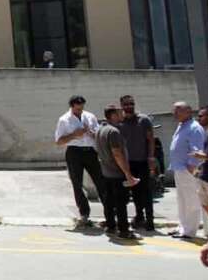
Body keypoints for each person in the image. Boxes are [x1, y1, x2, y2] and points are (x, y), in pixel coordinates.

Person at [53, 95, 104, 227]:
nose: (80, 111)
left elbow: (98, 134)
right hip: (74, 152)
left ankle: (109, 212)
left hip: (90, 151)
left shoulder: (90, 116)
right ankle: (84, 214)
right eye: (77, 109)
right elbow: (59, 141)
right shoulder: (64, 120)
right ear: (72, 106)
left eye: (82, 108)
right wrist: (74, 135)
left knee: (100, 180)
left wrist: (92, 133)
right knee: (77, 183)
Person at [95, 103, 141, 240]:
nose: (123, 114)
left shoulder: (100, 129)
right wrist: (127, 173)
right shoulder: (113, 132)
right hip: (116, 173)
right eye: (120, 112)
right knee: (121, 203)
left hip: (106, 172)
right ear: (113, 115)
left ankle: (110, 226)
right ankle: (124, 230)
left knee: (109, 201)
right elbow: (117, 153)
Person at [116, 94, 155, 230]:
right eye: (126, 104)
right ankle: (139, 217)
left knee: (147, 192)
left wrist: (151, 157)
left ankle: (150, 221)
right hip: (127, 164)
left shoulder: (144, 120)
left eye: (131, 104)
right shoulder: (120, 122)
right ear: (121, 106)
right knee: (134, 193)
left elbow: (151, 139)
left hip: (143, 162)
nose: (129, 107)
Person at [168, 102, 206, 239]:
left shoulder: (194, 128)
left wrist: (192, 166)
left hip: (188, 170)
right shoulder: (182, 126)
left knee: (191, 201)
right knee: (182, 200)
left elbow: (197, 149)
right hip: (179, 168)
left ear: (188, 111)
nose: (174, 112)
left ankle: (190, 231)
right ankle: (182, 227)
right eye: (174, 110)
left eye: (178, 110)